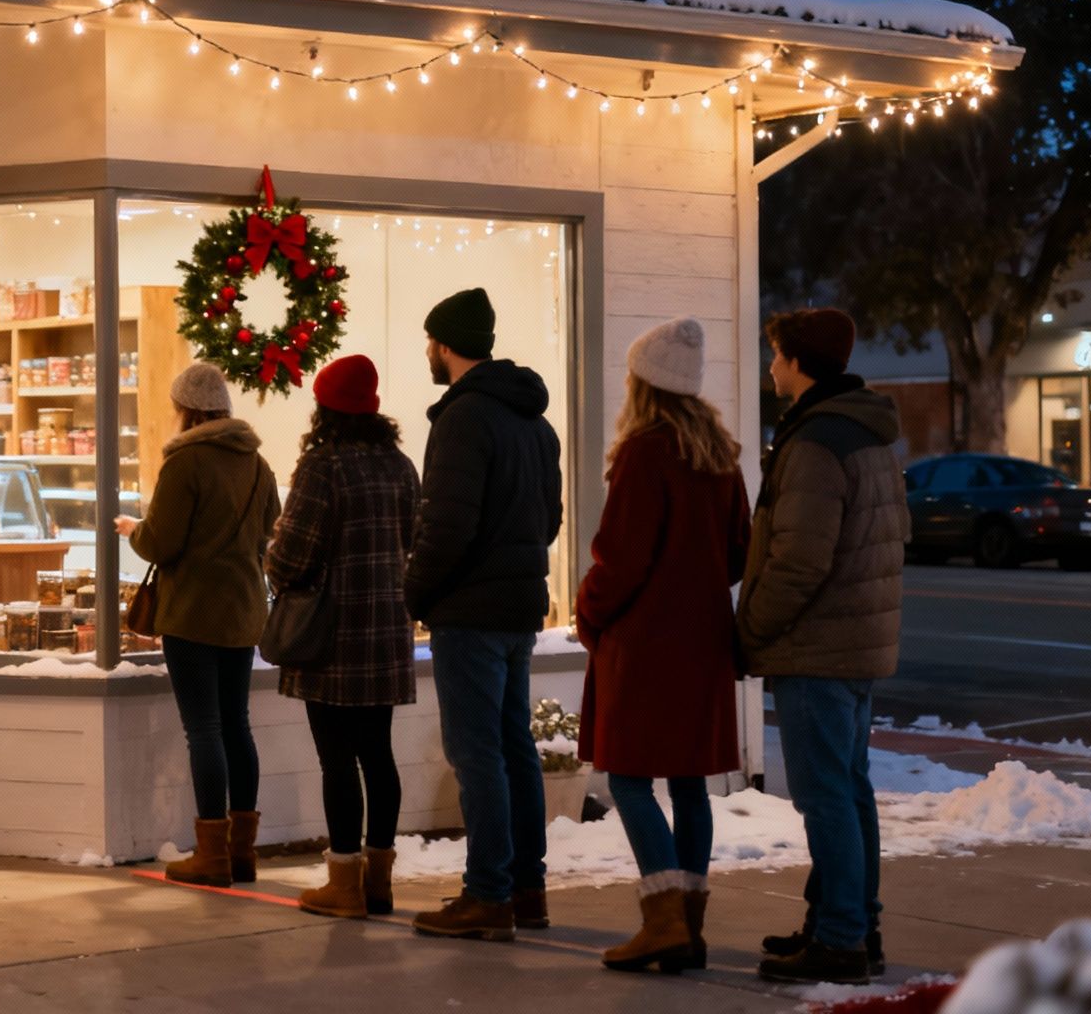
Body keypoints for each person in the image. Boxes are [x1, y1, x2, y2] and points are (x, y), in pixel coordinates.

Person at [739, 308, 908, 986]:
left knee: (827, 797)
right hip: (857, 641)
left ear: (799, 361)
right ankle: (852, 923)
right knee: (850, 789)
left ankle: (840, 939)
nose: (771, 367)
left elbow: (799, 561)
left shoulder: (814, 443)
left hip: (817, 647)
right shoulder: (867, 433)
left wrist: (750, 632)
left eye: (777, 355)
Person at [576, 318, 750, 973]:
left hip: (645, 644)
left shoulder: (646, 452)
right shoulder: (721, 455)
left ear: (644, 383)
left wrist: (590, 618)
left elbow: (619, 560)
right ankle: (689, 925)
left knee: (628, 779)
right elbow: (741, 552)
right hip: (703, 639)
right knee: (688, 785)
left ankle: (663, 921)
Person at [403, 288, 565, 942]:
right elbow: (549, 520)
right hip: (518, 605)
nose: (427, 353)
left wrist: (416, 593)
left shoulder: (464, 418)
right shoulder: (534, 420)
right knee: (513, 748)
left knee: (478, 755)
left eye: (429, 343)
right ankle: (527, 888)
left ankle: (488, 894)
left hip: (469, 609)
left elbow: (445, 523)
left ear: (444, 344)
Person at [264, 355, 422, 919]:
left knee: (337, 760)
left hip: (331, 636)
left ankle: (344, 884)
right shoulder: (400, 464)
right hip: (386, 630)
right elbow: (413, 540)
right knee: (378, 755)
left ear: (325, 407)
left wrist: (272, 558)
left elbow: (290, 558)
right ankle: (379, 881)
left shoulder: (322, 466)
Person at [114, 362, 280, 887]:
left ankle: (211, 854)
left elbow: (161, 542)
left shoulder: (185, 464)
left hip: (192, 613)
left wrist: (132, 529)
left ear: (186, 410)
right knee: (237, 726)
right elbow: (268, 535)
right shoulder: (259, 464)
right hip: (244, 610)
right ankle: (242, 852)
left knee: (203, 729)